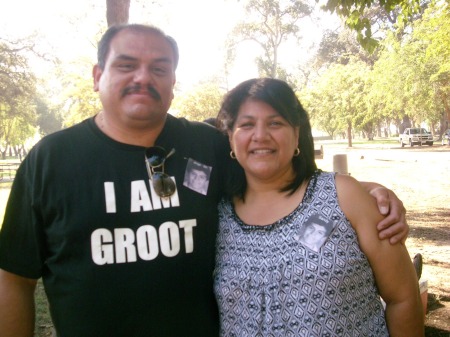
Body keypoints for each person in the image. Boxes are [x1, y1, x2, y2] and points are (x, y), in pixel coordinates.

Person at [0, 24, 408, 337]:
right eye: (126, 64)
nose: (144, 77)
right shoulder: (50, 161)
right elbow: (14, 279)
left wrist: (371, 193)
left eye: (159, 68)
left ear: (172, 83)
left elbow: (273, 168)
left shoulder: (206, 145)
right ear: (97, 75)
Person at [213, 78, 424, 336]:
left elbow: (403, 297)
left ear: (297, 133)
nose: (260, 136)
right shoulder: (214, 213)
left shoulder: (344, 196)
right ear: (231, 138)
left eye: (275, 123)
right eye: (247, 124)